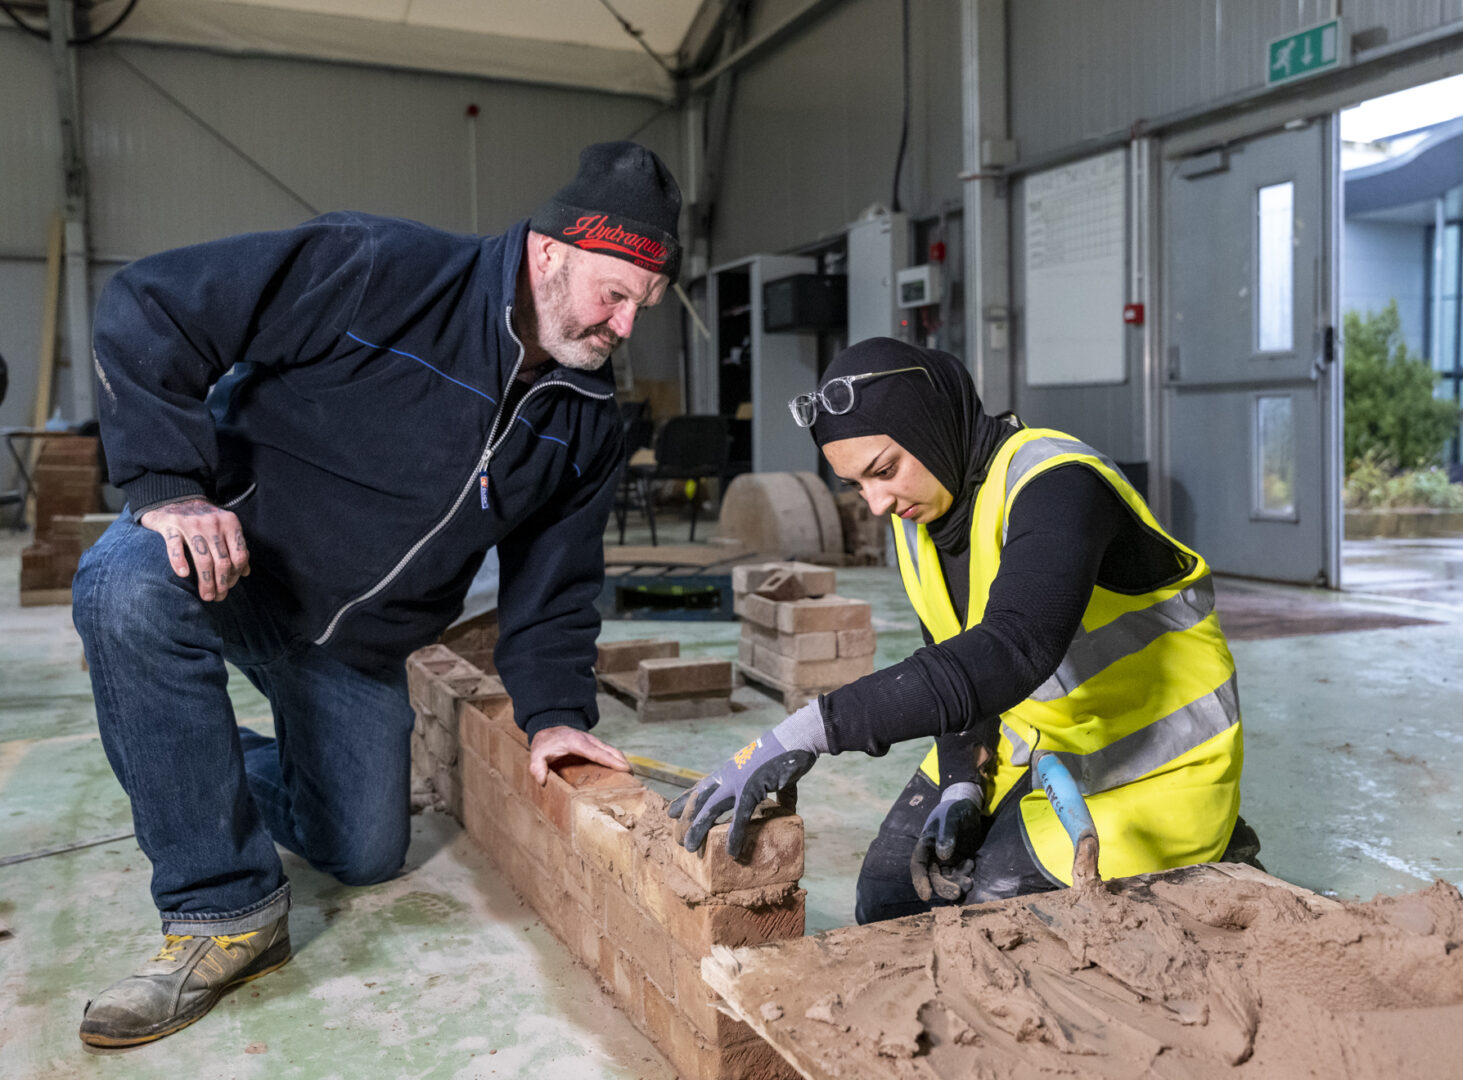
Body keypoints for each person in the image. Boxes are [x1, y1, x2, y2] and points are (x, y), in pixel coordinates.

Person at [71, 141, 680, 1047]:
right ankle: (223, 913)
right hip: (232, 565)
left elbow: (555, 584)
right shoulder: (378, 270)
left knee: (362, 854)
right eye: (616, 294)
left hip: (351, 648)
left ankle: (178, 750)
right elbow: (151, 303)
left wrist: (554, 713)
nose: (626, 328)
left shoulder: (584, 417)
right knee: (122, 588)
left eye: (645, 306)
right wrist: (171, 486)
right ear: (549, 252)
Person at [671, 337, 1257, 923]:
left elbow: (1014, 647)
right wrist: (961, 781)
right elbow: (954, 654)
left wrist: (810, 729)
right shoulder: (920, 515)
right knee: (889, 897)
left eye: (884, 471)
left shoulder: (1059, 485)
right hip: (1031, 736)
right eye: (856, 485)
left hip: (1154, 766)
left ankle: (1218, 851)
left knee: (993, 912)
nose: (876, 503)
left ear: (929, 425)